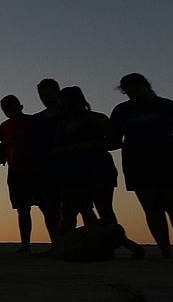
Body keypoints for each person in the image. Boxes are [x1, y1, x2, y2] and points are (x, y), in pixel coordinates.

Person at [111, 73, 173, 258]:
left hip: (168, 158)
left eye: (138, 89)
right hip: (136, 161)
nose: (135, 94)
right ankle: (165, 251)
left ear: (147, 86)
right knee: (151, 208)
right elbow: (115, 140)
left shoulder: (167, 106)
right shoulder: (121, 111)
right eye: (130, 91)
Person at [52, 87, 144, 259]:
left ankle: (111, 246)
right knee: (68, 211)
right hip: (72, 169)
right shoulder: (63, 124)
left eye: (70, 106)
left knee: (104, 209)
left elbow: (116, 141)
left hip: (98, 167)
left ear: (80, 102)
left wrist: (90, 145)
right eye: (64, 107)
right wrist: (70, 149)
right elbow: (56, 149)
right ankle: (58, 248)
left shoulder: (97, 119)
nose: (68, 110)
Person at [0, 95, 38, 253]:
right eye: (5, 110)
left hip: (36, 171)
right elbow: (4, 148)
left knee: (48, 207)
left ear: (20, 106)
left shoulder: (33, 121)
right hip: (15, 172)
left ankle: (56, 241)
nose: (9, 112)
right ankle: (26, 245)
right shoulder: (5, 126)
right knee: (22, 209)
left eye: (12, 108)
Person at [27, 78, 66, 241]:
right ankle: (57, 243)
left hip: (71, 167)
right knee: (49, 208)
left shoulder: (68, 115)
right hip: (46, 168)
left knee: (82, 207)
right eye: (42, 95)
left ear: (58, 93)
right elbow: (35, 144)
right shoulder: (37, 119)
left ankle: (91, 242)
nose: (45, 99)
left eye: (49, 94)